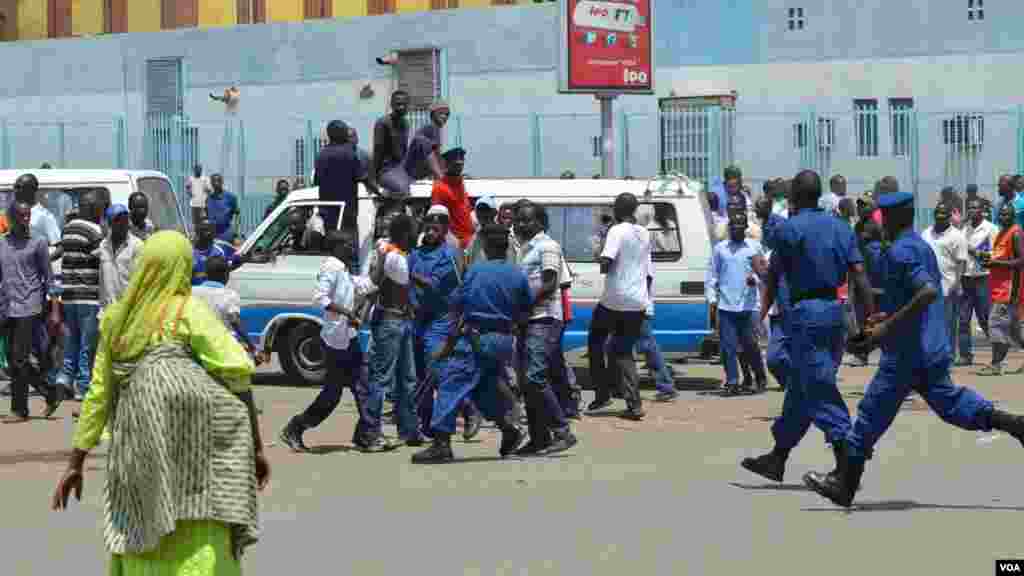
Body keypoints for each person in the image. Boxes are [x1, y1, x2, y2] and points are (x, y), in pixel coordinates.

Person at [52, 231, 269, 573]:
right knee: (199, 514)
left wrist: (76, 462)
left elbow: (98, 395)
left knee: (139, 521)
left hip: (137, 444)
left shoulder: (116, 318)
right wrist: (255, 448)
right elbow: (238, 372)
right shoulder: (187, 309)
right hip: (194, 447)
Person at [802, 191, 1024, 508]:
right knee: (951, 404)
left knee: (870, 412)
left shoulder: (902, 251)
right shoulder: (920, 246)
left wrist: (886, 328)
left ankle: (845, 484)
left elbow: (927, 292)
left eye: (881, 217)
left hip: (909, 352)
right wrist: (885, 317)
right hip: (931, 346)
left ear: (891, 218)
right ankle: (1013, 424)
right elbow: (911, 296)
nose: (877, 223)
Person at [740, 170, 874, 484]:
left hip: (805, 314)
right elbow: (859, 274)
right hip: (835, 311)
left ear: (796, 197)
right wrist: (870, 318)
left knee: (817, 387)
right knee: (802, 388)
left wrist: (761, 312)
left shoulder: (789, 229)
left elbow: (774, 275)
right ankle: (778, 457)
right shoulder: (841, 227)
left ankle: (848, 458)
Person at [411, 224, 534, 463]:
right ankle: (509, 429)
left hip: (476, 339)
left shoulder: (476, 272)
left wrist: (447, 346)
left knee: (450, 383)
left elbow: (459, 309)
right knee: (483, 388)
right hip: (503, 340)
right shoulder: (517, 274)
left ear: (485, 246)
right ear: (506, 247)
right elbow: (526, 310)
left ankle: (441, 444)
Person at [410, 205, 481, 440]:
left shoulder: (449, 254)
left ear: (444, 229)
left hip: (441, 321)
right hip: (418, 319)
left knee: (438, 371)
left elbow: (433, 284)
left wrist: (404, 273)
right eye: (428, 227)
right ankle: (426, 424)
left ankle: (468, 409)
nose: (431, 231)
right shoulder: (416, 253)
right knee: (421, 376)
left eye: (436, 227)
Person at [512, 201, 577, 455]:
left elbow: (549, 284)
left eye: (526, 220)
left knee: (535, 377)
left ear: (539, 222)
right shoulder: (523, 249)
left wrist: (524, 305)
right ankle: (539, 438)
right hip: (527, 320)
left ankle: (562, 431)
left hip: (544, 319)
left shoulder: (547, 246)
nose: (520, 224)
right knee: (526, 382)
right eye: (518, 219)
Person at [586, 193, 653, 420]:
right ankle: (634, 404)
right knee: (623, 352)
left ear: (617, 209)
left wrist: (597, 252)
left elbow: (606, 263)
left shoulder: (616, 231)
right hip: (637, 300)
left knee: (595, 342)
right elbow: (646, 269)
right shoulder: (644, 233)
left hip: (615, 299)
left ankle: (602, 393)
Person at [1, 200, 63, 421]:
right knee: (14, 360)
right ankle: (50, 393)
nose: (26, 219)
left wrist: (54, 310)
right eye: (21, 215)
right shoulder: (2, 243)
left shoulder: (38, 243)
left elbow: (49, 278)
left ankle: (20, 410)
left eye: (28, 215)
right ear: (10, 218)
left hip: (30, 307)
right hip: (7, 307)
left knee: (19, 359)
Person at [366, 214, 422, 447]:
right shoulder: (394, 257)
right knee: (382, 379)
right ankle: (371, 432)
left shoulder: (391, 252)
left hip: (400, 320)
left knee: (407, 379)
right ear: (405, 234)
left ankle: (409, 430)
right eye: (414, 232)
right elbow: (411, 281)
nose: (416, 236)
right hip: (391, 322)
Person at [708, 205, 768, 395]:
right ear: (729, 228)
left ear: (745, 228)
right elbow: (712, 275)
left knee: (750, 345)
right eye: (733, 227)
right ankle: (732, 382)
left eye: (740, 227)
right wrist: (711, 299)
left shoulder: (754, 247)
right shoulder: (720, 249)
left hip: (748, 305)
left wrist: (755, 279)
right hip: (726, 305)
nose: (736, 230)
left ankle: (760, 377)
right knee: (728, 347)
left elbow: (763, 272)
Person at [56, 190, 104, 401]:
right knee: (87, 345)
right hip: (89, 296)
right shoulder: (94, 231)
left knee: (71, 341)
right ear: (93, 208)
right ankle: (83, 386)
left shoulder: (67, 229)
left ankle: (64, 380)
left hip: (69, 295)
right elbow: (103, 258)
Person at [976, 204, 1024, 376]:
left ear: (1013, 216)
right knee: (1014, 331)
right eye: (1001, 214)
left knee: (995, 325)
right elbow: (1001, 256)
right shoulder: (1002, 233)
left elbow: (1020, 261)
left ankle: (996, 365)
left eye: (1007, 214)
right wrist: (987, 258)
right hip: (999, 287)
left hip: (1009, 289)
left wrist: (995, 263)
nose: (1003, 217)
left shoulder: (1015, 233)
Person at [921, 202, 968, 362]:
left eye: (943, 214)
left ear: (949, 217)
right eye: (937, 213)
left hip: (948, 288)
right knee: (929, 324)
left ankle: (948, 356)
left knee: (948, 324)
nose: (940, 216)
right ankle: (932, 355)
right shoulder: (926, 233)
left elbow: (961, 263)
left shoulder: (957, 236)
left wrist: (956, 284)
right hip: (928, 288)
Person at [756, 195, 791, 391]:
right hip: (777, 313)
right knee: (773, 359)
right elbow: (769, 286)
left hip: (793, 312)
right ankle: (790, 384)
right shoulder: (771, 255)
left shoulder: (788, 256)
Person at [958, 197, 997, 366]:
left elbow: (996, 254)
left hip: (983, 277)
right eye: (970, 208)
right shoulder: (963, 229)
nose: (972, 211)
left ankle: (997, 353)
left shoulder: (990, 229)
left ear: (982, 210)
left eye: (975, 208)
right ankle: (965, 355)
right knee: (963, 319)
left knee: (984, 318)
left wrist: (976, 252)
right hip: (966, 278)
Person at [315, 120, 373, 234]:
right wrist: (377, 192)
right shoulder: (349, 154)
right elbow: (363, 177)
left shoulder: (321, 155)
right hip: (347, 212)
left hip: (328, 212)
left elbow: (317, 181)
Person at [192, 255, 257, 354]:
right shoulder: (230, 295)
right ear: (226, 275)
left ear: (206, 274)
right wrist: (252, 346)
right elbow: (235, 321)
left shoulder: (192, 291)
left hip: (196, 344)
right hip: (220, 347)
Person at [98, 204, 143, 315]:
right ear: (110, 223)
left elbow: (139, 279)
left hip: (130, 310)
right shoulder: (103, 246)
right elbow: (102, 279)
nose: (123, 223)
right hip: (108, 310)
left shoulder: (137, 245)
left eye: (125, 220)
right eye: (118, 220)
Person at [430, 148, 475, 249]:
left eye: (461, 164)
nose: (459, 168)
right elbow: (436, 219)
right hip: (453, 243)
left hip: (469, 241)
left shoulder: (461, 184)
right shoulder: (440, 187)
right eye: (455, 165)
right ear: (447, 164)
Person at [372, 90, 411, 193]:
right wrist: (373, 177)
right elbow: (378, 150)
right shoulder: (383, 123)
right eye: (398, 104)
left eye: (404, 104)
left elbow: (404, 150)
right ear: (391, 105)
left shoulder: (405, 123)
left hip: (400, 169)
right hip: (385, 170)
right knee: (402, 189)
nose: (401, 107)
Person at [404, 101, 450, 184]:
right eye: (440, 113)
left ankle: (442, 176)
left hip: (418, 169)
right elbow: (434, 152)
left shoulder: (436, 129)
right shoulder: (430, 128)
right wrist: (442, 174)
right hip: (411, 168)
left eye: (447, 114)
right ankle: (440, 176)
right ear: (433, 115)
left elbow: (437, 154)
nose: (444, 116)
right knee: (423, 142)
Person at [192, 219, 228, 286]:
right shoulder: (189, 252)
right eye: (205, 230)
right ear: (197, 232)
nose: (209, 233)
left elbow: (223, 274)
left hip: (214, 290)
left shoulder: (219, 252)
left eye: (212, 230)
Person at [186, 164, 210, 231]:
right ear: (194, 170)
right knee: (195, 222)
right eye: (197, 169)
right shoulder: (191, 179)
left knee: (203, 221)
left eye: (199, 169)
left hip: (203, 204)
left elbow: (209, 189)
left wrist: (206, 190)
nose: (198, 171)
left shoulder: (205, 179)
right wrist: (189, 193)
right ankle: (196, 233)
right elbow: (187, 187)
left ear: (201, 170)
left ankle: (202, 232)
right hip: (194, 204)